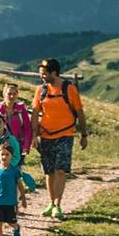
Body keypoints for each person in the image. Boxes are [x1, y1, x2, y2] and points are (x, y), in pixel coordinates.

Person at [31, 57, 88, 219]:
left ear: (54, 73)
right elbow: (35, 114)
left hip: (66, 134)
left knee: (61, 170)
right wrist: (34, 135)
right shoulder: (40, 91)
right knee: (49, 171)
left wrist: (84, 135)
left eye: (44, 74)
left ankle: (57, 204)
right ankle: (50, 202)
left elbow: (80, 113)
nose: (42, 76)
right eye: (41, 73)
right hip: (46, 135)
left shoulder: (69, 89)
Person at [0, 82, 41, 197]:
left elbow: (27, 129)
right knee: (1, 173)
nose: (12, 96)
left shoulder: (21, 110)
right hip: (1, 148)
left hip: (18, 148)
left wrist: (26, 146)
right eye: (9, 93)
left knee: (14, 174)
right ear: (4, 94)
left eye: (15, 94)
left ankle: (14, 202)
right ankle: (2, 199)